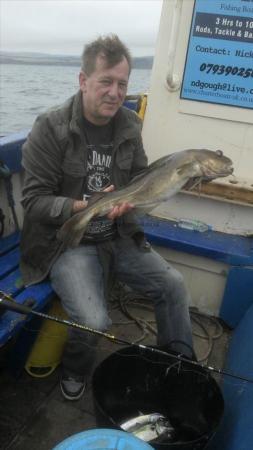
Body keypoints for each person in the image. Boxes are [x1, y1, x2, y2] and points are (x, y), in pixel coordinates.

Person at [20, 34, 194, 401]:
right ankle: (76, 370)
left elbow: (142, 181)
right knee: (94, 319)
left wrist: (159, 192)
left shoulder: (130, 125)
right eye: (105, 82)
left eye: (122, 84)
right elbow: (34, 201)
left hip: (119, 232)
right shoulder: (49, 128)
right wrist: (81, 207)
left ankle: (178, 364)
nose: (115, 93)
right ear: (83, 81)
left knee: (173, 285)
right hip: (67, 242)